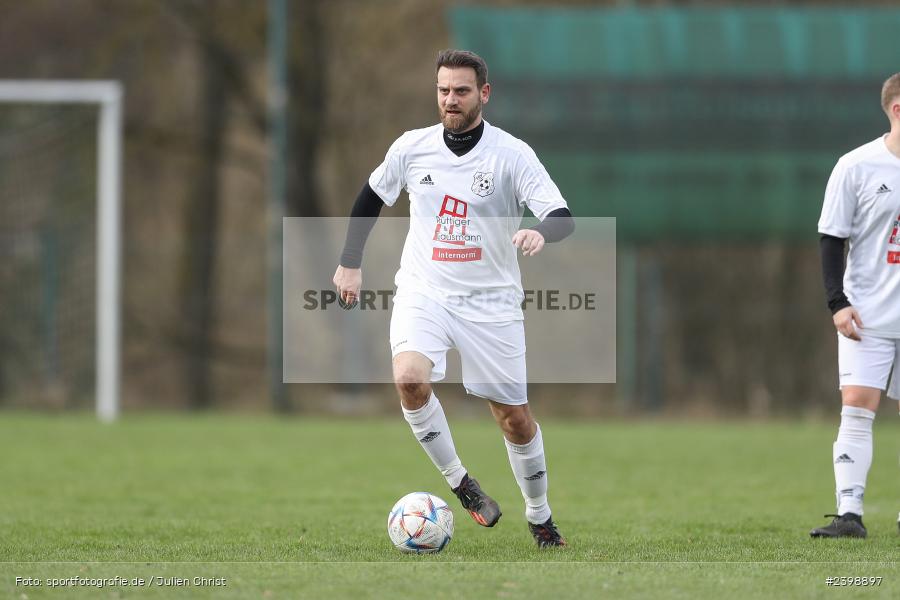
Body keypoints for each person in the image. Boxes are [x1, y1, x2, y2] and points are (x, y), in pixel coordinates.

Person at [333, 49, 574, 547]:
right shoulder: (412, 147)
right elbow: (370, 197)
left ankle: (540, 515)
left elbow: (561, 215)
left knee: (514, 418)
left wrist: (540, 234)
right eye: (443, 90)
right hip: (426, 291)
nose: (450, 99)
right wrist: (350, 262)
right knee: (409, 379)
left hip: (491, 303)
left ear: (483, 94)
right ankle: (461, 485)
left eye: (461, 91)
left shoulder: (512, 155)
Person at [811, 72, 900, 538]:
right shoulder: (856, 166)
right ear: (897, 110)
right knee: (858, 406)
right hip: (868, 315)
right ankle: (850, 514)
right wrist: (837, 303)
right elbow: (831, 237)